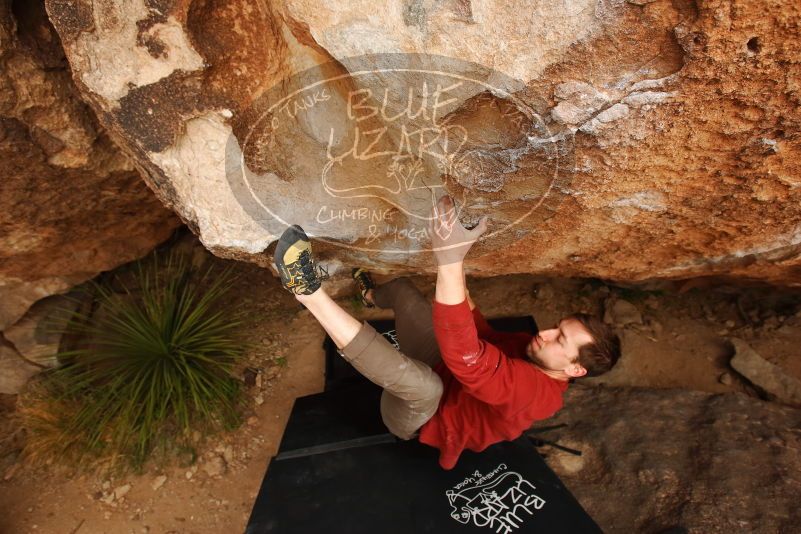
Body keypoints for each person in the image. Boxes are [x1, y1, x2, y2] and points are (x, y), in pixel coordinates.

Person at [273, 196, 621, 470]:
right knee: (406, 294)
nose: (543, 333)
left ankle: (306, 290)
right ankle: (368, 295)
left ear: (576, 370)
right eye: (556, 327)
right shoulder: (531, 348)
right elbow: (478, 332)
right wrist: (457, 254)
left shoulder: (538, 394)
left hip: (420, 417)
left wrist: (449, 261)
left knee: (426, 385)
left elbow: (469, 358)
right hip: (446, 369)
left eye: (559, 340)